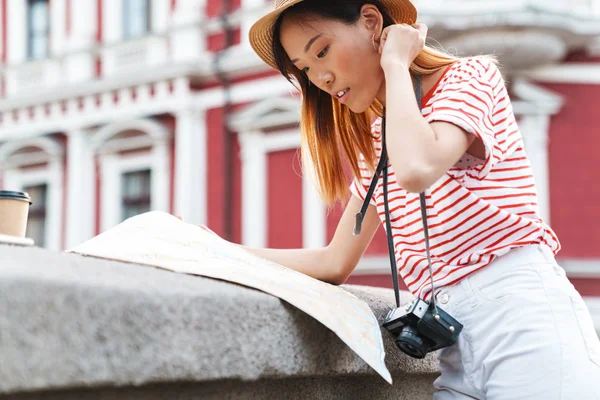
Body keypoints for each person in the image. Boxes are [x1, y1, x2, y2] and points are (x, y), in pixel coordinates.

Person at [219, 0, 600, 398]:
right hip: (453, 347)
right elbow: (333, 262)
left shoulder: (470, 77)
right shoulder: (385, 139)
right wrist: (212, 251)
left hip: (526, 323)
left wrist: (397, 64)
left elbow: (418, 169)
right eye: (306, 69)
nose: (322, 78)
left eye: (321, 51)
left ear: (370, 21)